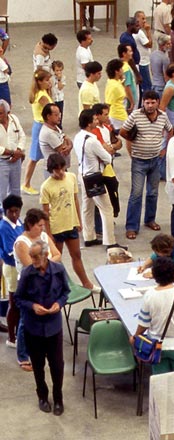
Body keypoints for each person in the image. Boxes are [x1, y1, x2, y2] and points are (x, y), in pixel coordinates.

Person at [15, 239, 69, 415]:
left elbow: (65, 292)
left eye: (36, 256)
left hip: (53, 327)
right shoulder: (27, 274)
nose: (33, 260)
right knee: (38, 365)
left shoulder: (59, 270)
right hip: (34, 328)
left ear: (46, 255)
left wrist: (58, 304)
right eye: (31, 257)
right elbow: (18, 298)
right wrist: (33, 306)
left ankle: (58, 398)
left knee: (57, 365)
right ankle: (42, 396)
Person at [41, 153, 98, 293]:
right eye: (56, 170)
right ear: (51, 170)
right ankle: (54, 288)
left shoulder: (71, 177)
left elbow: (75, 200)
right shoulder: (46, 186)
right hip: (56, 227)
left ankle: (87, 283)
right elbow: (45, 212)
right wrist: (48, 233)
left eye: (62, 168)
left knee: (76, 255)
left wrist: (78, 220)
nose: (60, 172)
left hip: (71, 224)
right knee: (55, 259)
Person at [120, 91, 174, 240]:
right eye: (147, 102)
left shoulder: (162, 116)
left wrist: (164, 147)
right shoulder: (136, 116)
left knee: (153, 192)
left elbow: (170, 130)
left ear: (157, 102)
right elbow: (123, 131)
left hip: (155, 159)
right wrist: (133, 139)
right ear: (143, 102)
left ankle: (150, 219)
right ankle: (131, 226)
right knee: (136, 194)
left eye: (152, 102)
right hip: (139, 160)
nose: (149, 105)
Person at [132, 257, 174, 375]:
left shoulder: (149, 295)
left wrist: (135, 336)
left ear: (155, 276)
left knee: (161, 384)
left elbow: (143, 324)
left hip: (158, 346)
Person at [72, 110, 120, 249]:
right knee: (107, 208)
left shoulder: (78, 136)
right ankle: (110, 241)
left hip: (83, 174)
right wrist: (108, 152)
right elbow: (107, 158)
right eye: (94, 119)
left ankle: (89, 237)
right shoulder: (92, 140)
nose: (97, 121)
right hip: (94, 176)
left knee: (87, 206)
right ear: (88, 123)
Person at [22, 69, 53, 196]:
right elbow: (50, 109)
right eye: (46, 80)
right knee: (34, 157)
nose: (49, 82)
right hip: (41, 126)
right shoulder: (42, 96)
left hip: (39, 124)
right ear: (39, 82)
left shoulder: (42, 92)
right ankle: (26, 183)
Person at [0, 196, 23, 348]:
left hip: (21, 266)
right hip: (12, 268)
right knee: (13, 303)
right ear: (5, 211)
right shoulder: (3, 227)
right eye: (11, 212)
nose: (14, 215)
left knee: (19, 302)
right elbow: (10, 251)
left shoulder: (19, 223)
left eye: (17, 211)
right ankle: (12, 338)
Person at [0, 101, 26, 203]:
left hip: (16, 160)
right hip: (2, 162)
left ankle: (15, 214)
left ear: (7, 113)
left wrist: (18, 151)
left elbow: (22, 136)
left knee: (15, 190)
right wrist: (12, 153)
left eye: (1, 113)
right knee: (1, 191)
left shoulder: (14, 120)